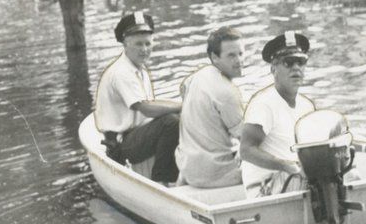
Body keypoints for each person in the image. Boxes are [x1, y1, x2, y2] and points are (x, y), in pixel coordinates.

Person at [94, 10, 181, 184]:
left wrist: (184, 106)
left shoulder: (138, 68)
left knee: (178, 118)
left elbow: (149, 104)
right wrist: (184, 106)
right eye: (138, 44)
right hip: (119, 146)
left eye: (148, 43)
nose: (144, 49)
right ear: (125, 44)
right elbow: (146, 109)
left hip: (134, 136)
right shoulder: (122, 72)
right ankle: (161, 180)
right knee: (171, 122)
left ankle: (180, 173)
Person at [240, 31, 316, 197]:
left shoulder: (306, 105)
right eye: (288, 62)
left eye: (301, 61)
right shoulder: (264, 104)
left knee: (344, 167)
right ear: (273, 69)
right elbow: (246, 150)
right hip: (264, 188)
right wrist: (286, 165)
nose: (296, 68)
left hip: (294, 179)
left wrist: (365, 147)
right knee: (313, 177)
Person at [175, 27, 245, 188]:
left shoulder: (197, 76)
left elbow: (183, 90)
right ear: (214, 57)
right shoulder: (227, 92)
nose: (239, 60)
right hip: (216, 175)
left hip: (187, 169)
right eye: (231, 55)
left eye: (241, 53)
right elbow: (248, 140)